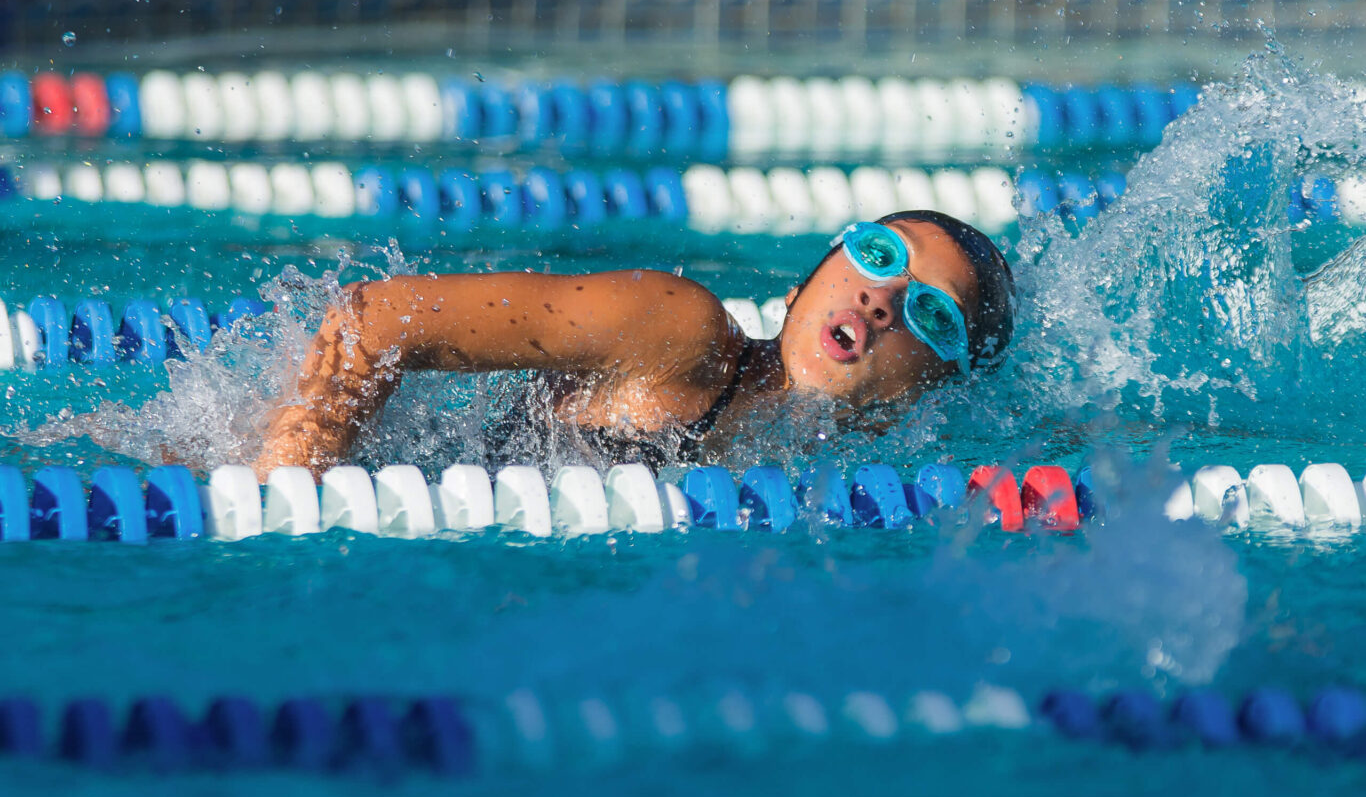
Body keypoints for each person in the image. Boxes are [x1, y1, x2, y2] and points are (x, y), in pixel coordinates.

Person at [252, 210, 1016, 479]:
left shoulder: (851, 477)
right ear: (798, 288)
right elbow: (375, 318)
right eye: (879, 256)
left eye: (931, 313)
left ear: (930, 392)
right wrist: (283, 496)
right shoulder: (679, 334)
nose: (881, 299)